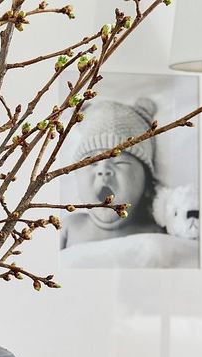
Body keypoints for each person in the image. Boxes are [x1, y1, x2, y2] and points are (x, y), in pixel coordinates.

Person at [60, 98, 162, 249]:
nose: (103, 170)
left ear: (147, 185)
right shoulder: (68, 228)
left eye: (120, 162)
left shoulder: (155, 233)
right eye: (91, 163)